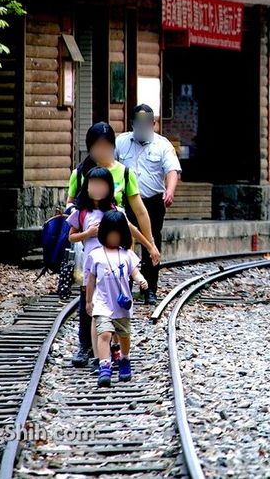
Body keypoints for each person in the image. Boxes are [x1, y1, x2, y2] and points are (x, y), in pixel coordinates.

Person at [66, 121, 160, 367]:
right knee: (89, 301)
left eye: (107, 146)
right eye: (97, 146)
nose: (102, 151)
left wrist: (150, 245)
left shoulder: (124, 174)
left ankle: (115, 349)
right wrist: (83, 225)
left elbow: (137, 214)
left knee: (117, 302)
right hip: (90, 255)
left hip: (118, 252)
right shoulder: (80, 173)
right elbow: (69, 209)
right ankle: (86, 347)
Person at [116, 104, 180, 305]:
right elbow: (110, 167)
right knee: (124, 244)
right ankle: (124, 287)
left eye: (146, 124)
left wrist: (169, 190)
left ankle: (150, 289)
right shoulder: (121, 142)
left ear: (153, 124)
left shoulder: (162, 145)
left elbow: (172, 170)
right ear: (132, 124)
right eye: (138, 124)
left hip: (152, 202)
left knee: (151, 244)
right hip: (127, 201)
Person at [84, 210, 147, 387]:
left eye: (117, 235)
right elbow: (91, 280)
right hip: (103, 303)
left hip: (122, 305)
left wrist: (141, 280)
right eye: (110, 234)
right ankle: (105, 366)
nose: (113, 238)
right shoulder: (95, 255)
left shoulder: (127, 255)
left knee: (124, 336)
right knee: (104, 334)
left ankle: (125, 359)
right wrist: (89, 301)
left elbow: (134, 272)